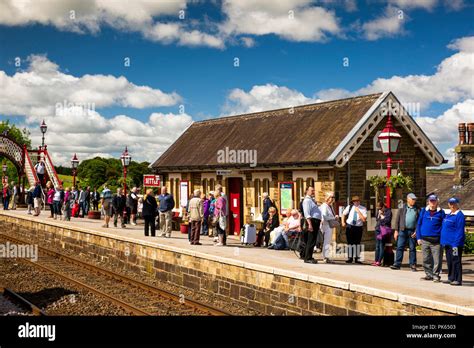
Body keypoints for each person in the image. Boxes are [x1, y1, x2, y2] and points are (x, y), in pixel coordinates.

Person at [417, 194, 446, 282]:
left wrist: (443, 239)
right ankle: (428, 275)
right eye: (431, 201)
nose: (432, 203)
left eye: (434, 201)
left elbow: (444, 226)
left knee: (437, 260)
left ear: (437, 202)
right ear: (428, 202)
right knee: (426, 259)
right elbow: (418, 224)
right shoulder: (423, 211)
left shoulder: (441, 212)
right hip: (424, 239)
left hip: (437, 241)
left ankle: (436, 276)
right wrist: (418, 237)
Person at [391, 193, 420, 271]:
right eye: (412, 199)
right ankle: (397, 264)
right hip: (402, 230)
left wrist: (417, 231)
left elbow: (419, 221)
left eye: (415, 199)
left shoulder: (417, 209)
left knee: (412, 248)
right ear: (408, 199)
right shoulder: (402, 208)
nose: (414, 201)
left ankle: (413, 265)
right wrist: (396, 231)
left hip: (412, 231)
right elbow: (397, 220)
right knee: (400, 247)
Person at [441, 197, 465, 286]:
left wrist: (456, 243)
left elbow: (459, 231)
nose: (452, 205)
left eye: (454, 203)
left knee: (456, 260)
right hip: (447, 243)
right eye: (450, 203)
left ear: (457, 204)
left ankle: (458, 279)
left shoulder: (459, 215)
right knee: (449, 260)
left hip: (455, 244)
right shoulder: (449, 214)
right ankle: (451, 277)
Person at [341, 195, 367, 264]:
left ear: (359, 201)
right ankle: (350, 258)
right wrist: (343, 222)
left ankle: (357, 258)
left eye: (357, 201)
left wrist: (358, 211)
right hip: (350, 226)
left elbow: (364, 220)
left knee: (357, 243)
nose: (356, 202)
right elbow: (343, 214)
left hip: (358, 227)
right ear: (353, 202)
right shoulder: (349, 207)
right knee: (350, 243)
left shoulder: (363, 209)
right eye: (355, 201)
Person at [302, 187, 322, 264]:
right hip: (312, 221)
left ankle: (309, 256)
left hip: (315, 221)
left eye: (314, 190)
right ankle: (307, 258)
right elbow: (307, 213)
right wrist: (310, 224)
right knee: (311, 240)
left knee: (312, 240)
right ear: (307, 191)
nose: (313, 191)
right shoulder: (307, 201)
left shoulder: (311, 200)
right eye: (311, 190)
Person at [320, 192, 339, 263]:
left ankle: (326, 256)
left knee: (327, 241)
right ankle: (325, 257)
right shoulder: (325, 206)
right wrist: (334, 218)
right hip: (326, 226)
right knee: (327, 241)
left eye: (333, 197)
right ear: (327, 197)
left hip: (328, 225)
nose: (333, 199)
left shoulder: (329, 206)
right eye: (331, 197)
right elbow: (324, 217)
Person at [373, 201, 392, 266]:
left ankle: (379, 261)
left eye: (380, 208)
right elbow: (377, 219)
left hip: (383, 231)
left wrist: (382, 215)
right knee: (377, 246)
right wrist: (379, 215)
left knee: (381, 246)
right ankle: (376, 260)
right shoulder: (378, 211)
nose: (379, 209)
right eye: (378, 208)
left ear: (383, 206)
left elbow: (387, 221)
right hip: (378, 230)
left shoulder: (388, 211)